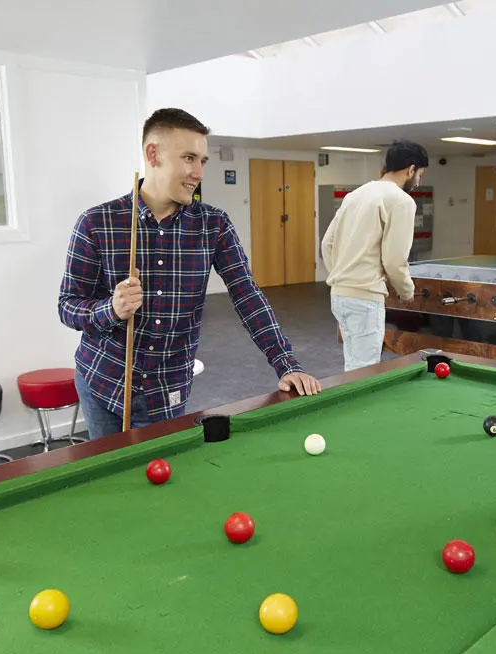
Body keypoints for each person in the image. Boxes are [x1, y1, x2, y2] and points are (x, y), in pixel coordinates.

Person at [58, 108, 321, 440]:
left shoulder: (213, 224)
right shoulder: (97, 222)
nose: (198, 172)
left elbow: (248, 297)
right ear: (153, 154)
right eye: (188, 158)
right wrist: (110, 309)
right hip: (104, 383)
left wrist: (286, 364)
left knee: (162, 479)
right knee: (112, 485)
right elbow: (68, 306)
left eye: (203, 161)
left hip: (168, 391)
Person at [320, 140, 428, 371]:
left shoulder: (355, 195)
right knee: (364, 371)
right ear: (410, 169)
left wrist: (343, 275)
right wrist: (407, 292)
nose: (419, 181)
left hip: (340, 296)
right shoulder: (401, 201)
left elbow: (327, 243)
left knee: (354, 365)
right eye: (419, 174)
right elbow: (394, 260)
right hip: (365, 299)